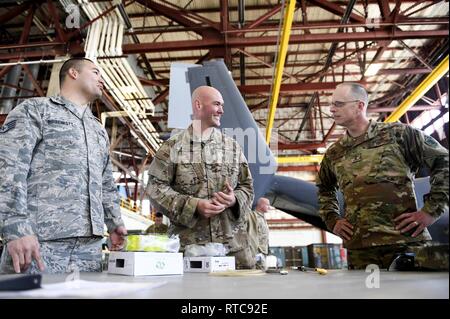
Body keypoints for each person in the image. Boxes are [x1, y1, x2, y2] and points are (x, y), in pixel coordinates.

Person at [0, 57, 127, 274]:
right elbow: (8, 168)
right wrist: (16, 228)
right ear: (73, 73)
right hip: (39, 241)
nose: (102, 79)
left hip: (89, 248)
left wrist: (114, 223)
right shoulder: (36, 110)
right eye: (96, 72)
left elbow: (105, 184)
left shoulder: (98, 130)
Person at [316, 82, 449, 270]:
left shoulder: (399, 135)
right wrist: (332, 220)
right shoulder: (334, 153)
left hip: (404, 243)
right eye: (332, 104)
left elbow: (444, 161)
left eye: (338, 104)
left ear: (359, 106)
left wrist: (431, 211)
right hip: (360, 251)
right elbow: (324, 188)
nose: (331, 109)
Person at [146, 86, 255, 268]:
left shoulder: (232, 147)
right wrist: (193, 205)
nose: (222, 110)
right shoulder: (172, 147)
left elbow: (247, 187)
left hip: (233, 250)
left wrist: (234, 200)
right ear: (198, 105)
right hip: (190, 250)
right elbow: (154, 188)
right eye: (217, 104)